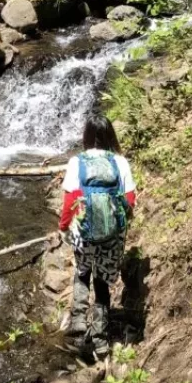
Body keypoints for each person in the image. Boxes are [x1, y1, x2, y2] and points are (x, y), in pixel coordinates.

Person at [58, 114, 136, 358]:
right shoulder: (120, 162)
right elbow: (130, 200)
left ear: (87, 136)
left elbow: (71, 200)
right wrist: (120, 225)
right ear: (110, 134)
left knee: (82, 272)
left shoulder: (76, 162)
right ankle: (101, 339)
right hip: (111, 235)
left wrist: (63, 226)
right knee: (102, 281)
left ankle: (79, 323)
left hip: (84, 231)